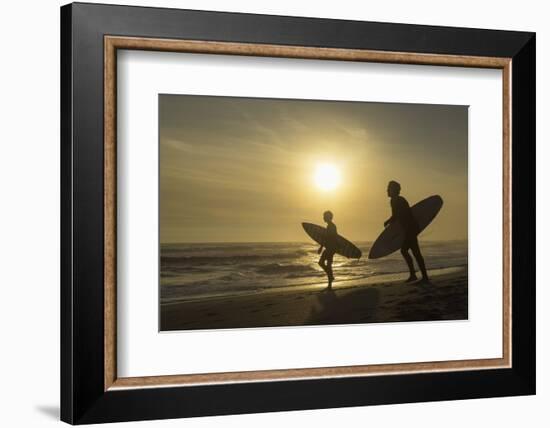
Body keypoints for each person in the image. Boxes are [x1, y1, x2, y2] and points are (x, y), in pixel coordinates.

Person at [384, 181, 430, 283]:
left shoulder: (398, 200)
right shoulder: (394, 200)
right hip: (409, 229)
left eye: (388, 188)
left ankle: (420, 276)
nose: (387, 190)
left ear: (394, 190)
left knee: (409, 251)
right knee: (412, 252)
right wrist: (389, 221)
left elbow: (400, 215)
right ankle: (419, 275)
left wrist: (389, 221)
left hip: (410, 228)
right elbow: (396, 215)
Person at [318, 210, 337, 288]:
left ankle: (330, 281)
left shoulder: (331, 226)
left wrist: (321, 247)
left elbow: (328, 238)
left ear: (328, 217)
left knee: (323, 263)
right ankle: (330, 278)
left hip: (330, 248)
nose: (323, 218)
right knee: (325, 264)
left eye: (324, 216)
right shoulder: (330, 226)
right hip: (331, 247)